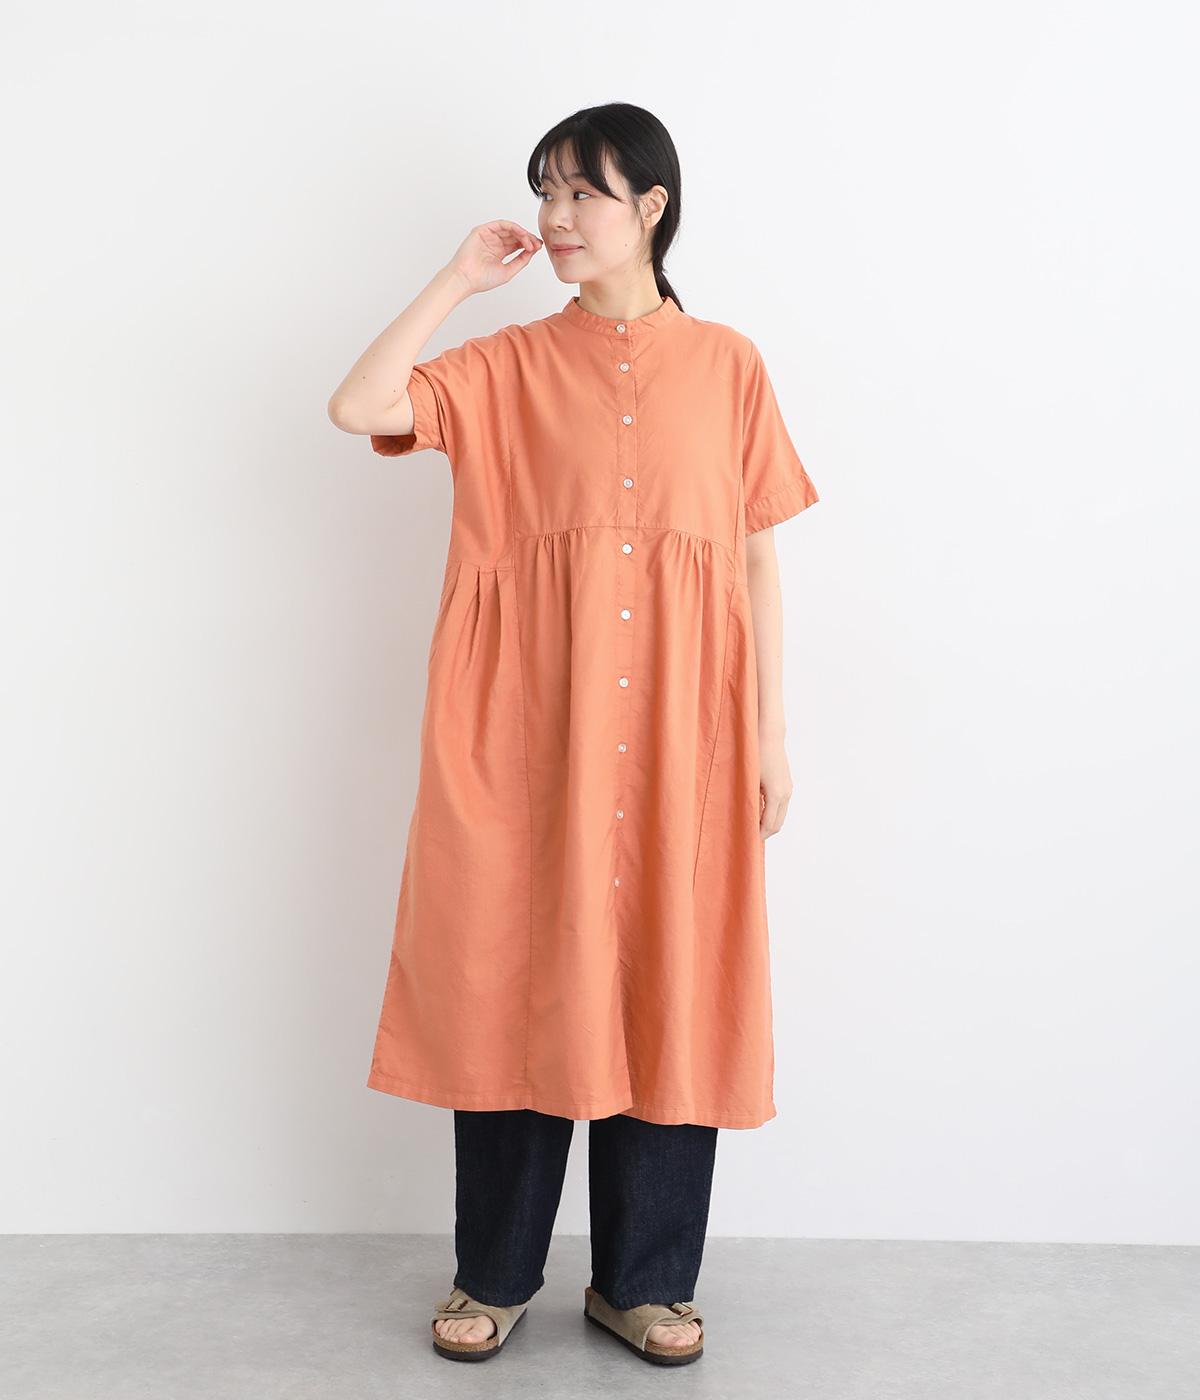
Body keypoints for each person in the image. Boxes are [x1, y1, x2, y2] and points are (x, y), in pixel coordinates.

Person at [327, 103, 820, 1365]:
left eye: (581, 192)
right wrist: (456, 279)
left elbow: (754, 560)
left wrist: (769, 732)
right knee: (512, 970)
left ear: (651, 205)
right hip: (525, 732)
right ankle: (493, 1271)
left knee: (672, 976)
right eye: (544, 190)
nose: (554, 217)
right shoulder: (503, 364)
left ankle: (643, 1281)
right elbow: (359, 403)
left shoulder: (730, 364)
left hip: (685, 735)